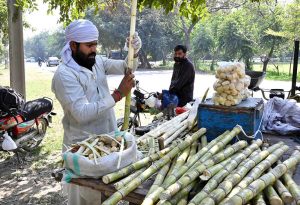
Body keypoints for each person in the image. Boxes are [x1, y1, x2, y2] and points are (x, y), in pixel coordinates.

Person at [51, 19, 141, 205]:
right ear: (73, 45)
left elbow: (127, 67)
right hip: (82, 149)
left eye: (95, 45)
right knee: (83, 199)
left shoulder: (97, 61)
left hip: (106, 143)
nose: (94, 49)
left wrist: (134, 51)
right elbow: (81, 113)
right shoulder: (64, 74)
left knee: (105, 197)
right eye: (89, 45)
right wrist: (117, 94)